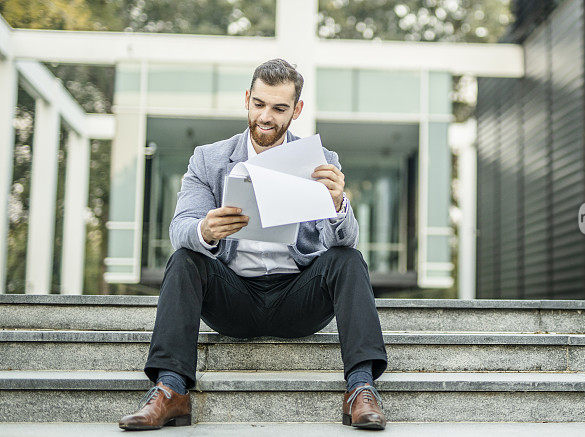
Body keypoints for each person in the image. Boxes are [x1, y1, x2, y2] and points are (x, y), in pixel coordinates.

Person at [118, 59, 388, 431]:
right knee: (184, 258)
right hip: (233, 298)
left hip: (298, 298)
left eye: (279, 109)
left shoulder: (320, 162)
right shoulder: (208, 159)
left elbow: (345, 240)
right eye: (259, 104)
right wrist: (206, 230)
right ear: (247, 99)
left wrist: (339, 205)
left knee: (348, 258)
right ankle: (170, 390)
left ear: (296, 110)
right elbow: (179, 228)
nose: (266, 117)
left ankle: (360, 389)